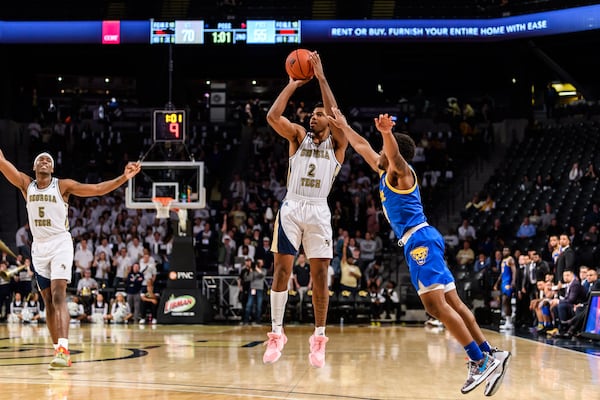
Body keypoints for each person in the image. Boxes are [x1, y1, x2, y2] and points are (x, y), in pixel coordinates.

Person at [327, 107, 509, 395]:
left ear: (393, 151)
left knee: (434, 306)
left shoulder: (401, 174)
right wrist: (344, 126)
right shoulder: (384, 168)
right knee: (455, 303)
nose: (380, 154)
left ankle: (478, 359)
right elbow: (361, 145)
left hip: (420, 241)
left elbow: (394, 156)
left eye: (386, 150)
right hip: (423, 238)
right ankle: (490, 352)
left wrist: (387, 133)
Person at [0, 150, 140, 369]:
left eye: (48, 160)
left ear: (52, 169)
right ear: (34, 168)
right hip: (39, 247)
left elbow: (97, 189)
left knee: (58, 296)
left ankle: (64, 349)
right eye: (40, 160)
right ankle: (58, 350)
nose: (44, 161)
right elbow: (2, 162)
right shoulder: (26, 185)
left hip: (60, 244)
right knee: (47, 302)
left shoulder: (62, 185)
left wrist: (124, 178)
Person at [262, 50, 348, 368]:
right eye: (311, 114)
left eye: (318, 114)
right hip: (293, 205)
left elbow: (334, 111)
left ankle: (319, 337)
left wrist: (321, 77)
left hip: (318, 210)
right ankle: (276, 334)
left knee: (320, 276)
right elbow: (272, 117)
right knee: (282, 271)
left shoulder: (338, 144)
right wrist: (293, 84)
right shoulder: (298, 136)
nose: (313, 116)